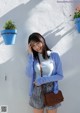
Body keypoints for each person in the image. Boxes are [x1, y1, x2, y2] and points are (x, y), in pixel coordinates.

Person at [26, 32, 63, 113]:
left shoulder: (54, 55)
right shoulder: (33, 58)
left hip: (52, 90)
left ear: (42, 40)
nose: (36, 47)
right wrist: (30, 56)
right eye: (33, 46)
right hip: (37, 90)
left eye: (37, 43)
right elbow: (28, 74)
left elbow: (60, 76)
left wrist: (43, 80)